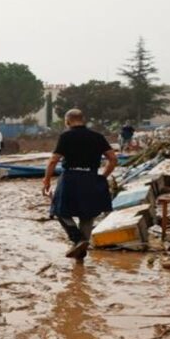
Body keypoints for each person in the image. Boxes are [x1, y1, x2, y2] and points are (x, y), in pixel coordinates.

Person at [42, 109, 118, 260]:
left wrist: (47, 180)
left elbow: (53, 160)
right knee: (87, 214)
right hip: (91, 177)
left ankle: (77, 239)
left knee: (59, 210)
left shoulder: (66, 136)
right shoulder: (97, 137)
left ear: (67, 121)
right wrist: (103, 176)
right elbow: (113, 159)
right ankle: (80, 255)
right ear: (83, 120)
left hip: (70, 177)